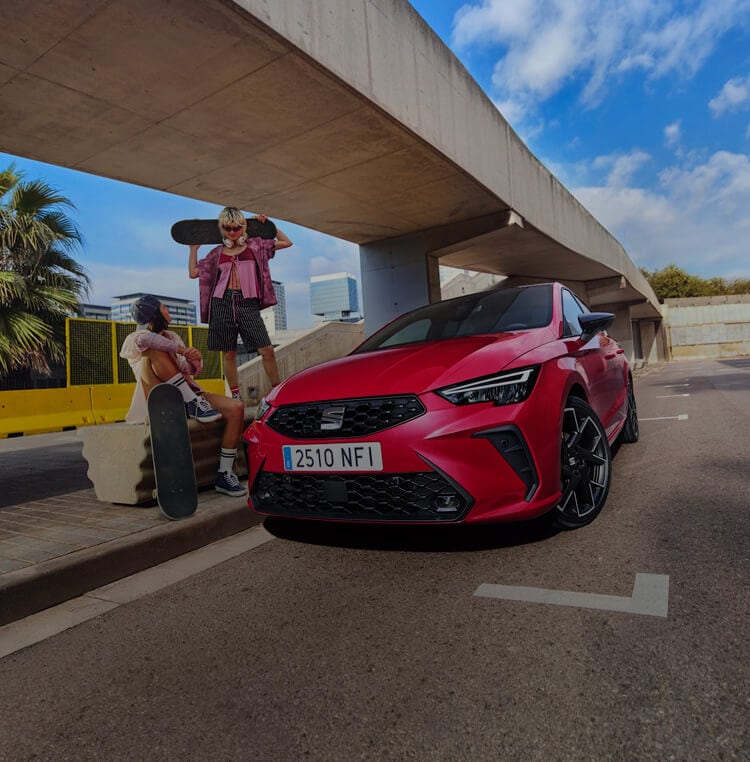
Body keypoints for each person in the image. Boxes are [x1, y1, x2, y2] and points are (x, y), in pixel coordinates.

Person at [120, 294, 247, 497]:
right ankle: (192, 403)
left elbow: (184, 368)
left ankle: (225, 473)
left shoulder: (173, 337)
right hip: (157, 395)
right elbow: (147, 339)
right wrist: (182, 349)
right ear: (154, 313)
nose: (168, 311)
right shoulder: (136, 339)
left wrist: (195, 361)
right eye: (164, 308)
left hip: (187, 392)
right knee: (154, 349)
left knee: (236, 408)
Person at [188, 207, 292, 400]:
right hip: (222, 303)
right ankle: (235, 396)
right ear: (222, 229)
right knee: (229, 353)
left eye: (237, 227)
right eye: (228, 228)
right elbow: (193, 273)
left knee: (266, 350)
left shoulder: (256, 246)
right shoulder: (216, 253)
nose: (233, 232)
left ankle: (277, 390)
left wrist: (270, 226)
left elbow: (287, 242)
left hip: (248, 302)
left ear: (243, 227)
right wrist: (193, 249)